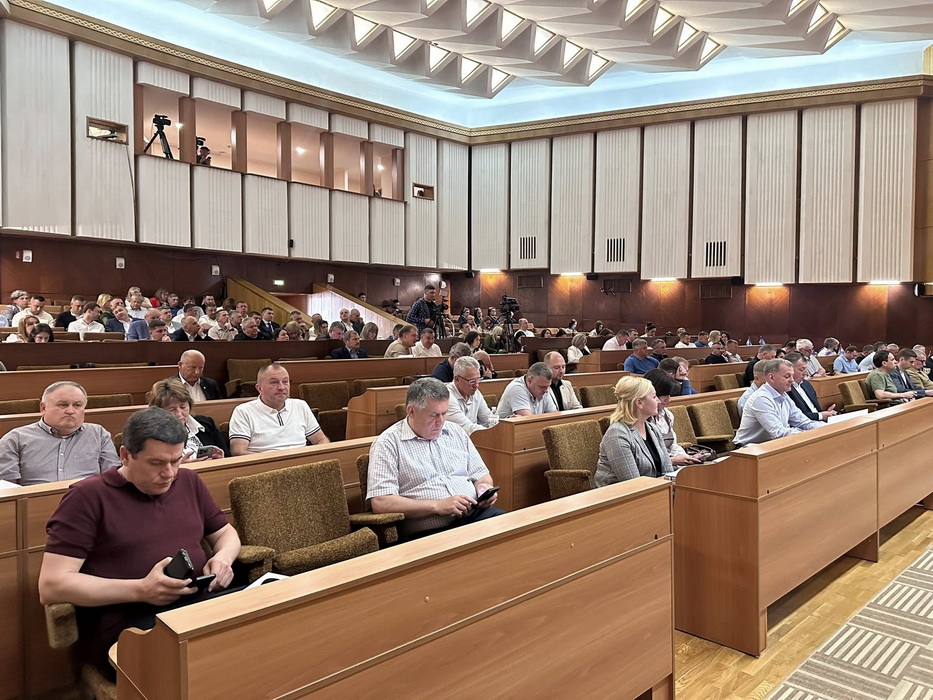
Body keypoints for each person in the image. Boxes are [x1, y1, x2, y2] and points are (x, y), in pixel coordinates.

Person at [38, 407, 240, 681]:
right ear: (125, 455)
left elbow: (226, 533)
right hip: (128, 626)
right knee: (214, 665)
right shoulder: (87, 497)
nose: (169, 473)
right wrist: (140, 590)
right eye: (156, 463)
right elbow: (51, 586)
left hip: (195, 607)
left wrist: (224, 558)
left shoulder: (188, 480)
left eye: (176, 460)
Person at [367, 378, 504, 540]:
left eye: (444, 413)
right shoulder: (388, 443)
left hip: (475, 514)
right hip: (432, 530)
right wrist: (437, 506)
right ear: (411, 411)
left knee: (513, 530)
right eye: (434, 415)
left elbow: (481, 474)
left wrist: (483, 489)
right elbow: (381, 502)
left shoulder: (455, 432)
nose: (441, 422)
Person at [0, 381, 121, 486]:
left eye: (77, 405)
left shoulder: (98, 434)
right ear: (43, 408)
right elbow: (7, 488)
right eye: (63, 405)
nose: (70, 411)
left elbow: (113, 478)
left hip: (90, 501)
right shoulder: (15, 439)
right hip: (36, 504)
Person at [228, 363, 329, 455]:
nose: (281, 387)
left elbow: (320, 439)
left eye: (285, 382)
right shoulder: (243, 411)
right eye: (274, 382)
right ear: (259, 388)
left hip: (304, 462)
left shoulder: (300, 405)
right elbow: (238, 451)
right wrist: (275, 462)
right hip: (266, 466)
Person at [595, 376, 674, 486]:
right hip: (621, 494)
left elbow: (668, 473)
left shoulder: (653, 429)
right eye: (654, 397)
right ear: (639, 403)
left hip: (654, 489)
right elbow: (633, 483)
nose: (658, 400)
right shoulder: (617, 434)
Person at [734, 359, 823, 447]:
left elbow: (803, 422)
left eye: (792, 376)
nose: (792, 380)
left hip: (772, 444)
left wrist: (826, 427)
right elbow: (778, 432)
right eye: (787, 376)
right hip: (749, 449)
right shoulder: (761, 398)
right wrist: (808, 434)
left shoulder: (784, 395)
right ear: (771, 378)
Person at [147, 380, 228, 458]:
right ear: (158, 411)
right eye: (172, 409)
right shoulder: (151, 436)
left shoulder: (206, 424)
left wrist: (221, 458)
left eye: (183, 407)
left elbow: (228, 457)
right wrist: (180, 465)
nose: (179, 414)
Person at [642, 370, 702, 467]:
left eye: (669, 395)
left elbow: (673, 445)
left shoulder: (667, 415)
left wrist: (686, 457)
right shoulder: (641, 420)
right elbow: (644, 460)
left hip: (670, 465)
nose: (667, 399)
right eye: (663, 395)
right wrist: (672, 461)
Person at [446, 356, 498, 434]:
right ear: (457, 379)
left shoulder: (475, 393)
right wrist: (494, 431)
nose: (476, 385)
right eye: (472, 381)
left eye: (478, 379)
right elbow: (467, 428)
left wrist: (504, 424)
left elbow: (488, 419)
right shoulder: (447, 397)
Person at [784, 352, 837, 421]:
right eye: (801, 369)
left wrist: (827, 413)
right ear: (789, 370)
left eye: (806, 369)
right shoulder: (785, 389)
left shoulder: (806, 384)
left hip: (819, 421)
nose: (805, 373)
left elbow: (815, 409)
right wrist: (820, 416)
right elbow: (794, 417)